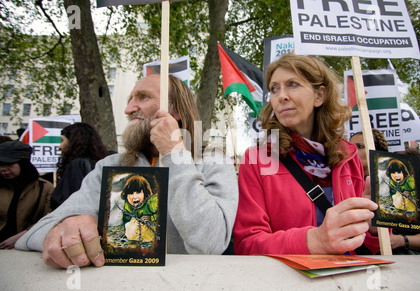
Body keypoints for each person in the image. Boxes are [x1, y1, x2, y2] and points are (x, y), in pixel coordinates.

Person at [15, 74, 238, 268]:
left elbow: (211, 244)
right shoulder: (109, 165)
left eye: (142, 97)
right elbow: (35, 234)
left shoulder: (213, 163)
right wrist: (66, 228)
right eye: (130, 99)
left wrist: (174, 153)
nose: (128, 109)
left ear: (176, 110)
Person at [233, 54, 380, 255]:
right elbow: (247, 245)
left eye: (292, 84)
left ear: (319, 96)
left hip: (349, 281)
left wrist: (371, 229)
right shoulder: (258, 159)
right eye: (274, 88)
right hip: (291, 283)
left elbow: (363, 247)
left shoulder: (348, 156)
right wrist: (314, 241)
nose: (281, 96)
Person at [0, 141, 54, 249]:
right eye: (0, 164)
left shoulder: (45, 188)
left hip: (26, 246)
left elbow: (49, 220)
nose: (3, 169)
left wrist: (22, 235)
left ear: (23, 164)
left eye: (9, 164)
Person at [50, 122, 109, 210]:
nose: (59, 147)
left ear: (74, 142)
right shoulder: (102, 163)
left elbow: (69, 202)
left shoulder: (77, 165)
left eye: (62, 141)